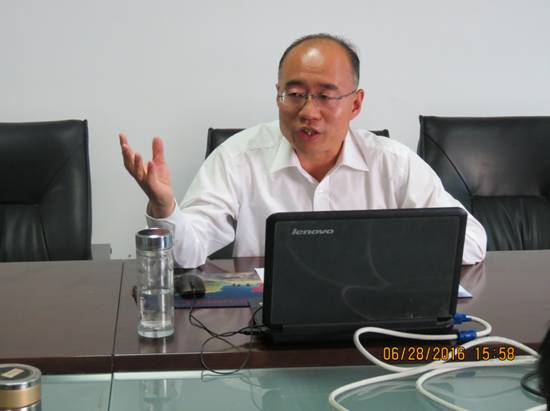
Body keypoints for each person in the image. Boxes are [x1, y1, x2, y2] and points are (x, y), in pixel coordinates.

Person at [120, 33, 487, 268]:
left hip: (371, 318)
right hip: (265, 327)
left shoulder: (393, 163)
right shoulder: (237, 158)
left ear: (356, 104)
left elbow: (472, 242)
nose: (309, 111)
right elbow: (186, 253)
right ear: (278, 95)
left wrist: (383, 246)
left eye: (326, 96)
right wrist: (164, 208)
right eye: (295, 94)